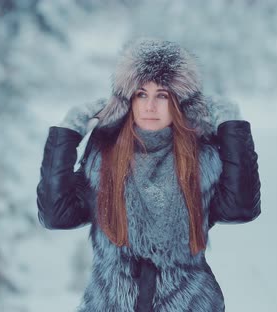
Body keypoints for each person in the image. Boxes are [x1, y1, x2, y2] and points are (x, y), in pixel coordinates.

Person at [36, 38, 261, 312]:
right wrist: (68, 131)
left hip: (188, 303)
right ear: (128, 100)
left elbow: (241, 209)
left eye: (162, 95)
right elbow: (56, 215)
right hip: (111, 304)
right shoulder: (103, 156)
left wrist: (232, 125)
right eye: (141, 94)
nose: (150, 106)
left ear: (178, 102)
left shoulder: (201, 158)